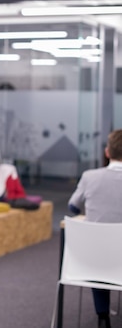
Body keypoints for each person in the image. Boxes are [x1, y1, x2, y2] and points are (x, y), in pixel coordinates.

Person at [68, 129, 122, 328]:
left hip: (92, 262)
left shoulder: (89, 176)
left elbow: (73, 207)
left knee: (100, 256)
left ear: (107, 152)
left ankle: (103, 317)